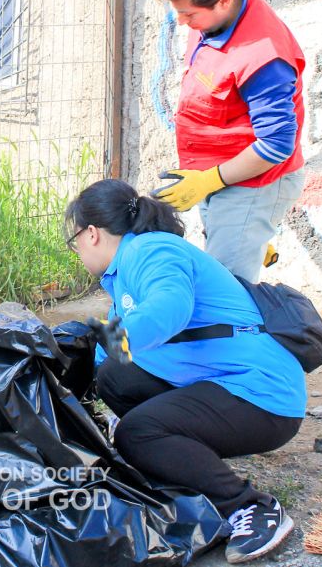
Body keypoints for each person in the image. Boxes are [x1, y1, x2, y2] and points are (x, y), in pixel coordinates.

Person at [67, 179, 306, 563]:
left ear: (91, 233)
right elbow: (109, 354)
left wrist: (114, 340)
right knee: (115, 376)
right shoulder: (125, 270)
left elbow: (169, 309)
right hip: (227, 387)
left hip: (263, 397)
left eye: (74, 240)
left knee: (137, 432)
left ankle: (249, 506)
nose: (77, 250)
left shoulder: (152, 251)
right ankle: (180, 464)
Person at [153, 0, 305, 282]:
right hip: (219, 175)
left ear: (224, 1)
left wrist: (211, 182)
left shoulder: (264, 58)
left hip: (251, 184)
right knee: (227, 263)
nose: (182, 22)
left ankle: (247, 234)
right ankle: (247, 240)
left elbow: (276, 145)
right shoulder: (217, 13)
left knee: (225, 292)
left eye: (188, 15)